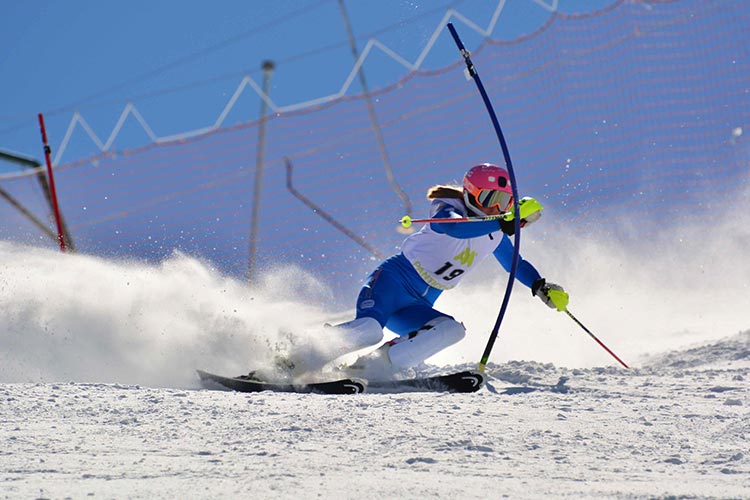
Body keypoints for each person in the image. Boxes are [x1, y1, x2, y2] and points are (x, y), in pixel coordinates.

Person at [326, 163, 569, 378]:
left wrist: (539, 285)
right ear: (471, 195)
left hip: (415, 307)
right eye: (489, 199)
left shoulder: (495, 233)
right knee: (370, 331)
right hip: (390, 284)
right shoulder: (448, 207)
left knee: (452, 330)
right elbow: (454, 228)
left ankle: (372, 367)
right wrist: (502, 221)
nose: (495, 207)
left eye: (503, 202)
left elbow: (514, 264)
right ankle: (302, 352)